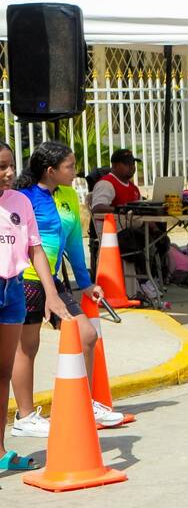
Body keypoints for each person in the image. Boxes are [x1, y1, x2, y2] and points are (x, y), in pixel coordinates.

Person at [10, 142, 122, 439]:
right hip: (26, 280)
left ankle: (82, 405)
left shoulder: (70, 196)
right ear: (50, 171)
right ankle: (24, 416)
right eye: (69, 167)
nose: (74, 172)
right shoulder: (24, 198)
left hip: (53, 281)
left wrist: (85, 284)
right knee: (27, 347)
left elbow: (73, 243)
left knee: (87, 335)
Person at [0, 142, 71, 471]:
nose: (9, 172)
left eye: (11, 165)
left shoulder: (20, 202)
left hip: (13, 290)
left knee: (3, 373)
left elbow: (35, 249)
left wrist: (51, 293)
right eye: (2, 166)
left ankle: (1, 452)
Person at [87, 148, 169, 293]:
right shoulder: (106, 184)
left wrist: (156, 229)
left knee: (161, 237)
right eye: (127, 163)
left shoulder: (133, 188)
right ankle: (143, 282)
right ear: (115, 165)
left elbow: (141, 212)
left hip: (132, 228)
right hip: (113, 233)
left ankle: (154, 277)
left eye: (133, 163)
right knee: (135, 238)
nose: (132, 166)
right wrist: (119, 210)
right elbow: (97, 208)